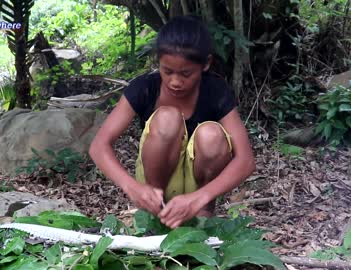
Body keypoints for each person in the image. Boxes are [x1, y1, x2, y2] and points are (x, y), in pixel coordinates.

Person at [89, 15, 255, 228]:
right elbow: (99, 146)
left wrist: (200, 198)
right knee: (167, 117)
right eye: (167, 71)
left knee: (212, 134)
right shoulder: (144, 88)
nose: (175, 82)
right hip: (155, 182)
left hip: (198, 191)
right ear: (158, 61)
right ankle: (154, 210)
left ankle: (204, 215)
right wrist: (132, 187)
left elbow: (246, 161)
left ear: (206, 64)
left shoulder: (215, 91)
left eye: (186, 74)